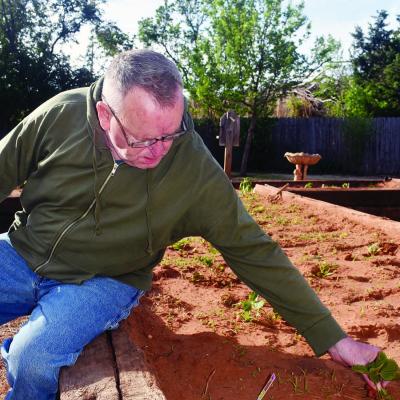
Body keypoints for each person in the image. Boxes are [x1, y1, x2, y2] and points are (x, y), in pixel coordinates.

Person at [0, 49, 381, 399]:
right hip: (23, 252)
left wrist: (334, 339)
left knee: (31, 357)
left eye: (171, 133)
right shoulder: (61, 115)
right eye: (143, 139)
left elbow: (254, 249)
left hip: (103, 281)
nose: (159, 150)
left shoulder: (194, 169)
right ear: (104, 114)